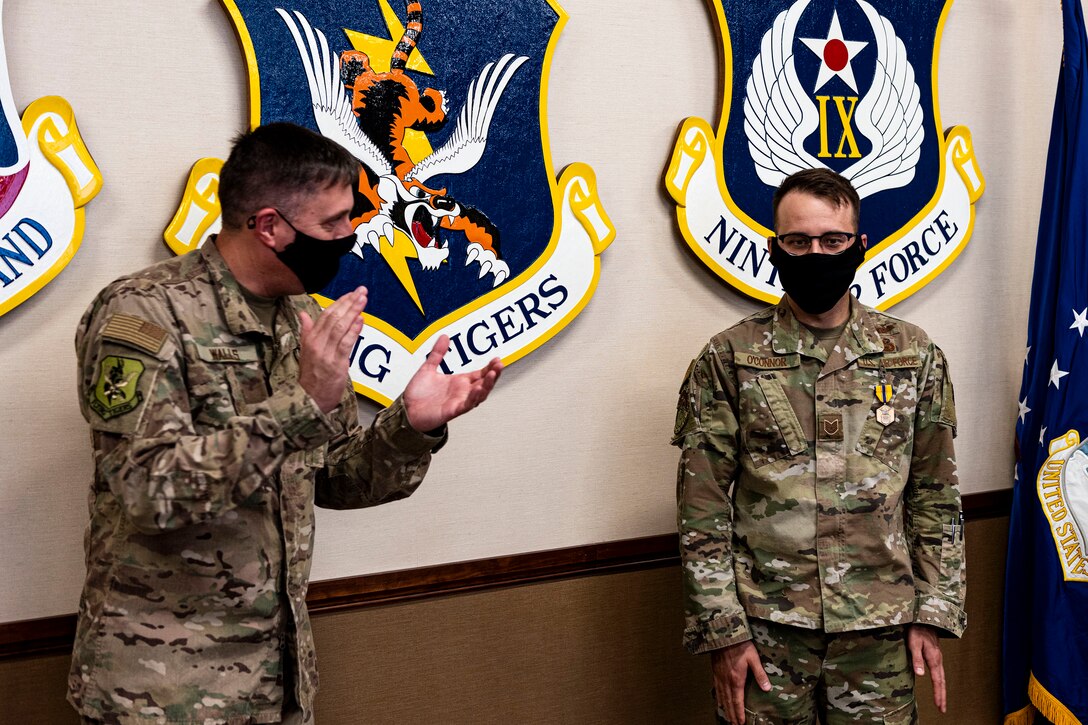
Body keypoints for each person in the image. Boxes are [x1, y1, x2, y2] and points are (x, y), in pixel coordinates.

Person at [67, 122, 502, 725]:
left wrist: (412, 426)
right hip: (161, 692)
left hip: (277, 681)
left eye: (351, 217)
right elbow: (147, 493)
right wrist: (301, 404)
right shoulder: (143, 314)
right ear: (270, 226)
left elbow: (332, 479)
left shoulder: (301, 316)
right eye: (332, 224)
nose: (349, 236)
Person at [673, 168, 965, 724]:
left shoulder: (912, 354)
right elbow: (701, 511)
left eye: (832, 241)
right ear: (773, 247)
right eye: (798, 241)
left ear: (860, 246)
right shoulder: (729, 357)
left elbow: (936, 496)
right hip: (766, 634)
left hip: (880, 632)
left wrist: (934, 610)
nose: (815, 254)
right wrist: (723, 633)